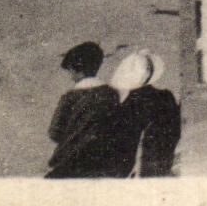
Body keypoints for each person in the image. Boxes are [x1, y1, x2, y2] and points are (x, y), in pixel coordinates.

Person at [46, 42, 120, 178]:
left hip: (71, 162)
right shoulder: (112, 94)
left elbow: (54, 133)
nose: (70, 75)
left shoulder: (70, 97)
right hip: (103, 163)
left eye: (70, 70)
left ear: (76, 70)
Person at [106, 50, 181, 177]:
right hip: (164, 166)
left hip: (143, 171)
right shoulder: (166, 96)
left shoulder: (130, 102)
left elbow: (124, 147)